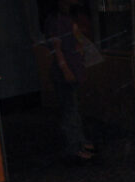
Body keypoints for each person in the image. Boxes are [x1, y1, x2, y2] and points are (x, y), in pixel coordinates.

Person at [42, 0, 94, 163]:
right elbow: (57, 49)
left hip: (72, 66)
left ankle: (79, 141)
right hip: (65, 70)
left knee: (73, 108)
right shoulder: (55, 20)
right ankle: (74, 147)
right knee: (69, 110)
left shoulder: (68, 17)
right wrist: (65, 70)